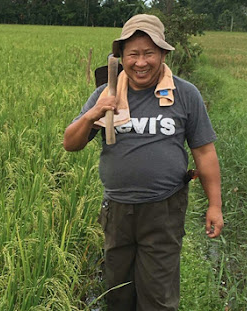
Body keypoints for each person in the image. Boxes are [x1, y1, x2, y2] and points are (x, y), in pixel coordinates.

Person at [63, 14, 223, 310]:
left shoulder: (185, 94)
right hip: (117, 211)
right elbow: (70, 143)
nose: (141, 62)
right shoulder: (106, 95)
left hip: (164, 209)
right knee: (118, 291)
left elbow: (204, 152)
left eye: (149, 53)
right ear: (120, 56)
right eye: (133, 54)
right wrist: (92, 114)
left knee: (158, 296)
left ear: (163, 54)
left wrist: (214, 205)